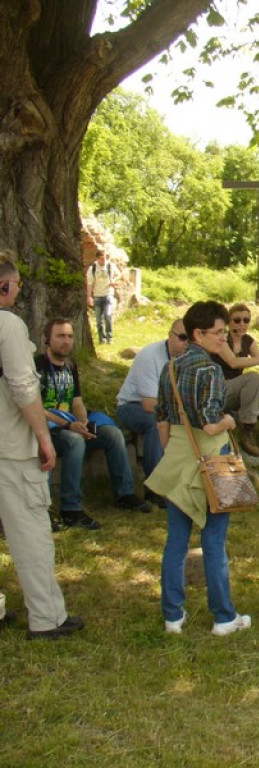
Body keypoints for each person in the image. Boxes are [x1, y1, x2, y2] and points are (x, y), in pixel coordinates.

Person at [146, 300, 252, 636]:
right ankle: (223, 617)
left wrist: (171, 454)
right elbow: (209, 424)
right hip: (211, 460)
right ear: (198, 334)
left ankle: (172, 616)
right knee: (215, 540)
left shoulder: (171, 367)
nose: (223, 338)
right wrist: (231, 421)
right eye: (218, 333)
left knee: (176, 541)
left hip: (177, 458)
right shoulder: (210, 370)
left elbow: (161, 417)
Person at [0, 250, 83, 639]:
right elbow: (22, 386)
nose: (17, 291)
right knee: (31, 532)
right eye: (15, 284)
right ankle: (47, 617)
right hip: (11, 448)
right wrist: (43, 437)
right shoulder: (8, 325)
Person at [36, 318, 151, 530]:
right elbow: (35, 407)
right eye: (60, 336)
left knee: (112, 434)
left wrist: (83, 422)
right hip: (47, 429)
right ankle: (71, 509)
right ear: (47, 339)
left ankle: (125, 495)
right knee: (74, 441)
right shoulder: (38, 365)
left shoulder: (70, 366)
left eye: (70, 336)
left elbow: (77, 402)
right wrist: (69, 426)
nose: (66, 341)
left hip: (69, 424)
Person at [115, 319, 189, 503]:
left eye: (190, 339)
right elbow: (149, 405)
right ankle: (154, 486)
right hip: (132, 406)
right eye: (182, 337)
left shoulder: (187, 360)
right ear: (170, 335)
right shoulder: (150, 356)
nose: (186, 343)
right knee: (156, 423)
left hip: (167, 407)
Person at [212, 302, 259, 456]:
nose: (242, 324)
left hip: (238, 391)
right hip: (220, 391)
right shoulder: (222, 340)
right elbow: (233, 362)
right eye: (237, 320)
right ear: (229, 322)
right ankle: (246, 428)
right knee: (253, 376)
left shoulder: (248, 340)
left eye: (246, 320)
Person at [85, 250, 120, 344]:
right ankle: (102, 339)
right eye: (101, 259)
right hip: (97, 295)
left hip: (108, 293)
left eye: (105, 258)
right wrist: (89, 296)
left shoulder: (110, 265)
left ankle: (110, 337)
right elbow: (89, 283)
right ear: (97, 259)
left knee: (107, 315)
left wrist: (113, 281)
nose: (103, 260)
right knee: (98, 320)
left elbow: (119, 274)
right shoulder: (92, 268)